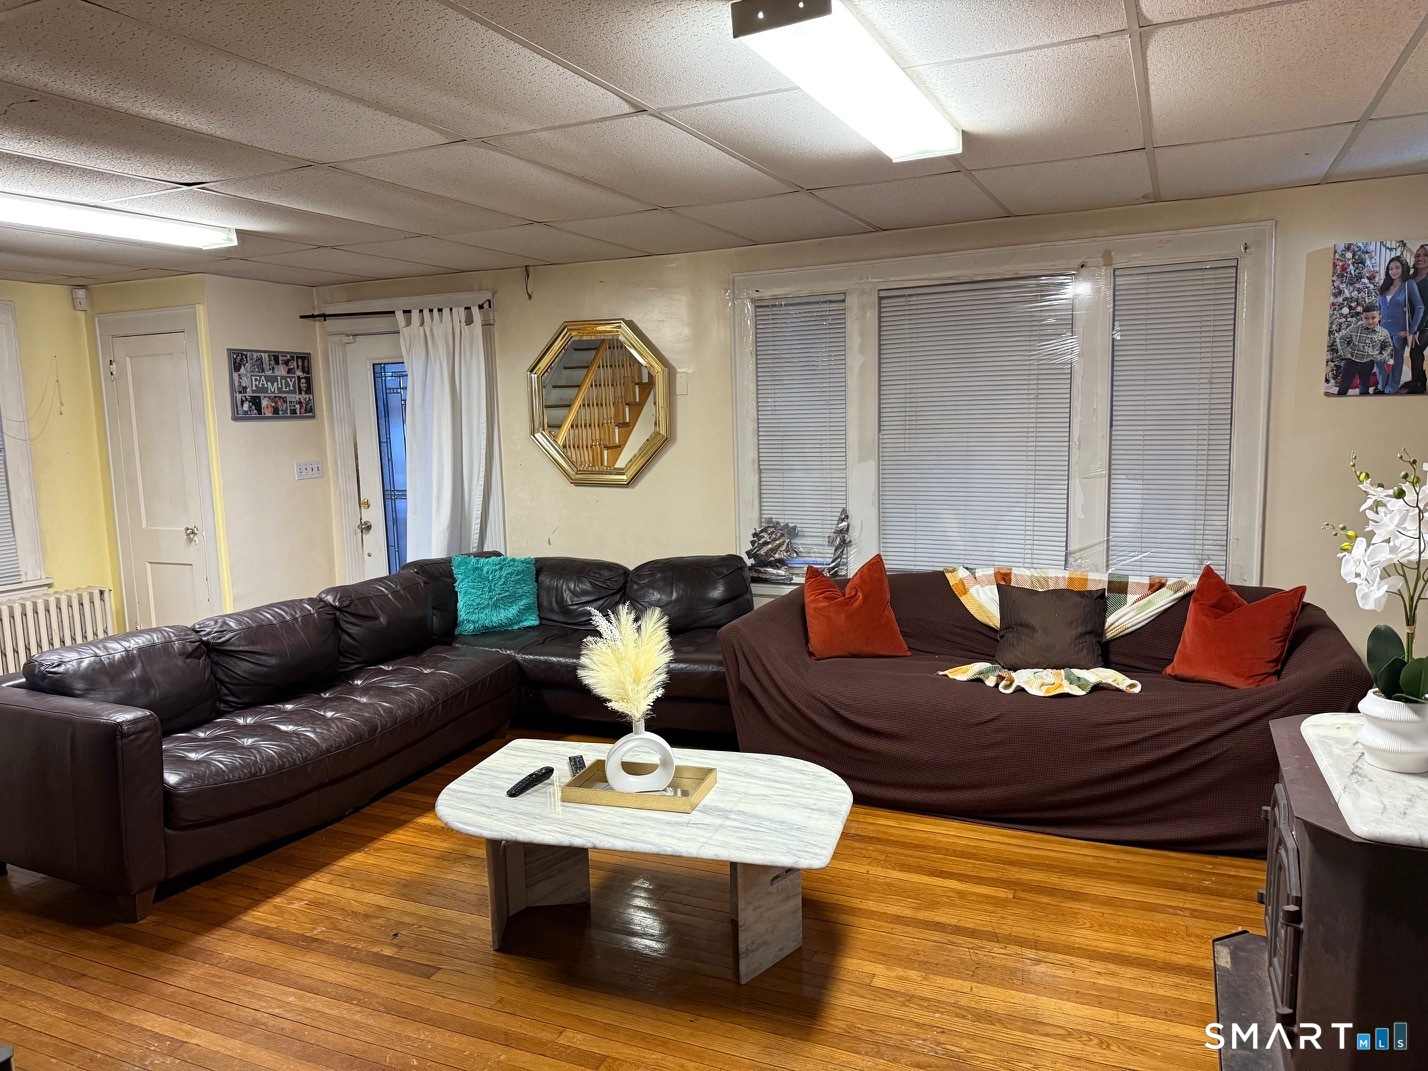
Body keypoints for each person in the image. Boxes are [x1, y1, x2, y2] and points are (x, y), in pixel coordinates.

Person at [1375, 255, 1423, 394]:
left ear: (1403, 269)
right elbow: (1380, 306)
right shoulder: (1385, 285)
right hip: (1382, 330)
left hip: (1399, 330)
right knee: (1378, 358)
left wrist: (1412, 330)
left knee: (1397, 359)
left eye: (1397, 267)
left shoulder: (1409, 285)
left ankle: (1392, 386)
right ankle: (1383, 383)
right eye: (1390, 268)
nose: (1393, 271)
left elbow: (1420, 307)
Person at [1337, 305, 1394, 396]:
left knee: (1365, 384)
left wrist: (1381, 356)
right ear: (1362, 318)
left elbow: (1388, 345)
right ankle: (1338, 403)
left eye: (1373, 318)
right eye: (1366, 318)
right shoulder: (1354, 329)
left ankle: (1363, 403)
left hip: (1368, 363)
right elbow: (1341, 338)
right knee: (1345, 383)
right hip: (1351, 361)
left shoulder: (1383, 332)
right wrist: (1345, 353)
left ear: (1379, 317)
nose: (1370, 321)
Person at [1407, 244, 1428, 395]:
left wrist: (1419, 328)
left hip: (1426, 324)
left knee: (1415, 351)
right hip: (1414, 323)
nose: (1420, 258)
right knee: (1415, 352)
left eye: (1424, 255)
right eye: (1417, 255)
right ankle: (1418, 378)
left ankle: (1418, 383)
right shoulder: (1410, 279)